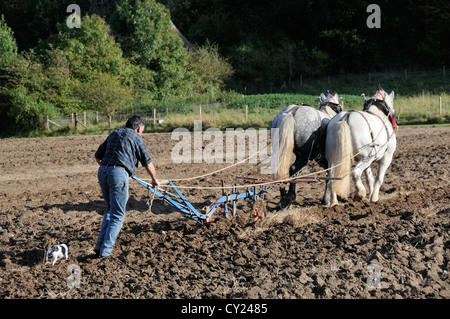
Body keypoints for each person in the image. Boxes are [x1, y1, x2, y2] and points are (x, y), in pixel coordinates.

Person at [94, 114, 160, 258]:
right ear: (138, 128)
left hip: (102, 171)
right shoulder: (137, 137)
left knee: (110, 210)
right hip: (118, 174)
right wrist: (155, 180)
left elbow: (97, 156)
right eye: (143, 130)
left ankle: (99, 245)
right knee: (118, 215)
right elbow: (147, 162)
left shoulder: (114, 133)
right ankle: (105, 252)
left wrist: (109, 169)